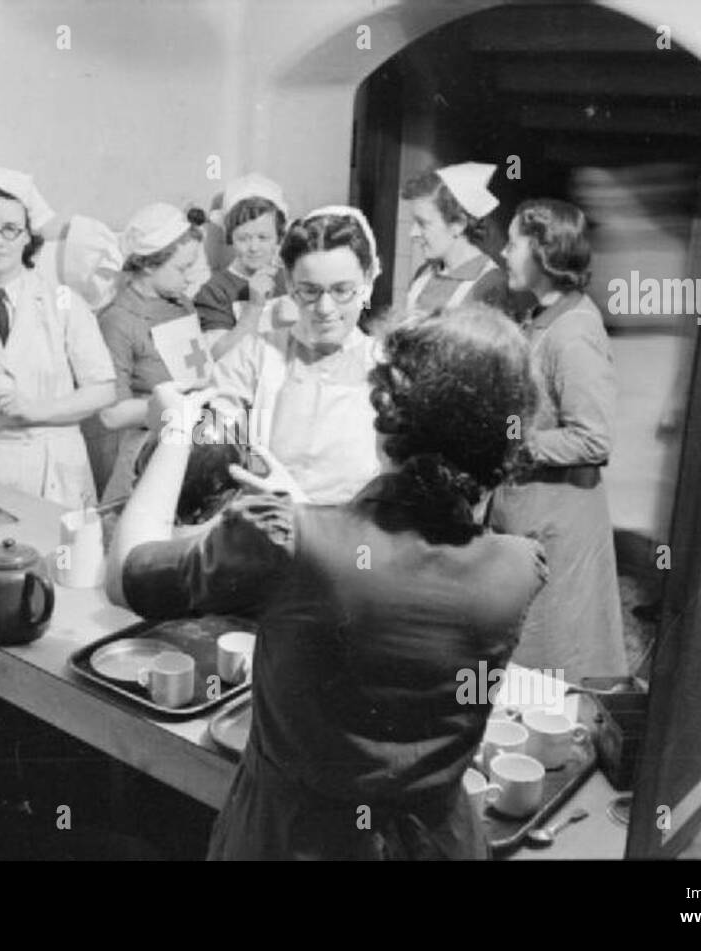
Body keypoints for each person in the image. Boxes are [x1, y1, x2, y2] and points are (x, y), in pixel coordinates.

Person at [104, 306, 548, 860]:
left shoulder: (289, 542)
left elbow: (126, 577)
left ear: (384, 421)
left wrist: (175, 432)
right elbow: (400, 576)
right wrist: (312, 513)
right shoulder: (519, 566)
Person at [488, 198, 628, 682]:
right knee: (526, 653)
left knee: (550, 657)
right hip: (531, 514)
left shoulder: (572, 334)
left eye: (513, 244)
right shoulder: (543, 318)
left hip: (557, 524)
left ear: (545, 254)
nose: (504, 254)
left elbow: (593, 439)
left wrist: (515, 444)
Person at [0, 167, 116, 508]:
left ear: (28, 235)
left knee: (67, 558)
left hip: (54, 465)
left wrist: (37, 409)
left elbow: (103, 390)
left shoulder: (64, 303)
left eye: (10, 229)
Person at [209, 205, 384, 505]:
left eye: (342, 290)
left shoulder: (386, 366)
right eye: (310, 291)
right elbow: (211, 436)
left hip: (357, 534)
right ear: (289, 283)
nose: (325, 309)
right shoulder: (255, 357)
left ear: (366, 281)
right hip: (273, 530)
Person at [74, 203, 209, 503]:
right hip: (144, 449)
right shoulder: (118, 321)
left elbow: (198, 372)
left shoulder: (180, 305)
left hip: (195, 437)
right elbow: (111, 414)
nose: (190, 277)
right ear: (149, 265)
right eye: (182, 268)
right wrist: (177, 408)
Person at [194, 173, 293, 360]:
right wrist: (254, 307)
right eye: (243, 238)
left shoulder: (293, 280)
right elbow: (215, 355)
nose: (254, 248)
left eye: (263, 237)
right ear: (229, 237)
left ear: (279, 237)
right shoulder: (215, 291)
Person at [403, 162, 509, 319]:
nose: (413, 233)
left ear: (457, 224)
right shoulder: (424, 274)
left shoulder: (490, 284)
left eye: (423, 223)